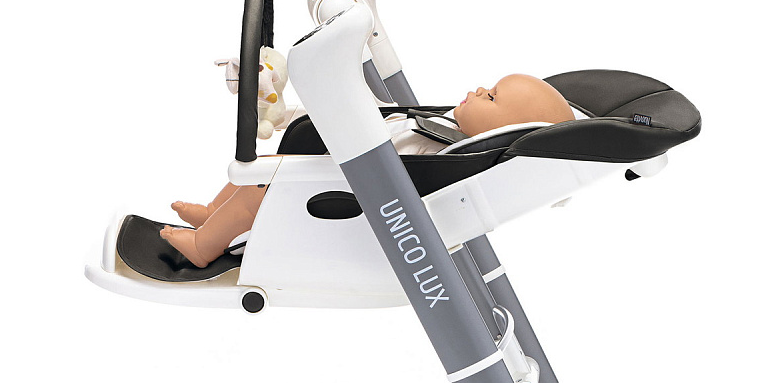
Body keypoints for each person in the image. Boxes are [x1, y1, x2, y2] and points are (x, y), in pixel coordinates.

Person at [161, 74, 573, 267]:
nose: (480, 89)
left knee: (261, 185)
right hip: (336, 170)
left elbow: (385, 162)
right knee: (261, 170)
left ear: (498, 132)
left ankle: (204, 245)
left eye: (492, 97)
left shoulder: (439, 154)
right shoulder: (442, 129)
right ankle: (212, 215)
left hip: (341, 191)